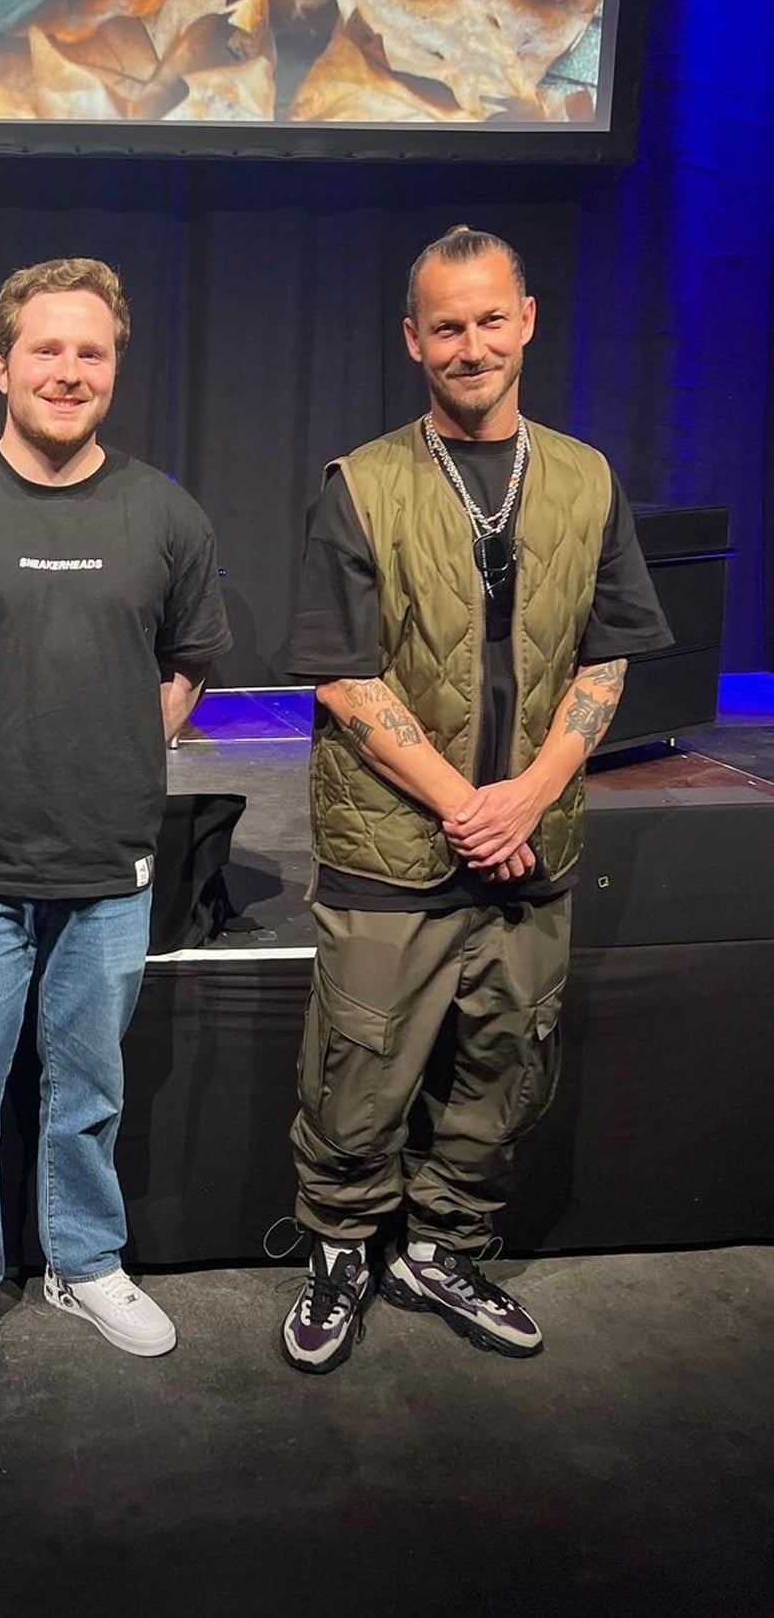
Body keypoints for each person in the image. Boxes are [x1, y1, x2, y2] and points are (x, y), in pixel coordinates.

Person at [281, 226, 672, 1375]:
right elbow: (344, 675)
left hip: (532, 845)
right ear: (414, 340)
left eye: (489, 319)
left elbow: (609, 655)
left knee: (506, 1062)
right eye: (446, 325)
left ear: (527, 321)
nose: (471, 344)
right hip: (394, 843)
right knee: (359, 1067)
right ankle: (344, 1248)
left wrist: (534, 793)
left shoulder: (589, 477)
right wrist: (468, 803)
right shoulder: (362, 483)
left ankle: (442, 1244)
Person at [0, 257, 232, 1386]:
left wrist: (117, 760)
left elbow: (189, 668)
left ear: (113, 366)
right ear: (1, 364)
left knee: (90, 1090)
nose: (68, 371)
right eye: (47, 349)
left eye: (91, 352)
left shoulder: (166, 514)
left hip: (109, 864)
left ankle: (83, 1260)